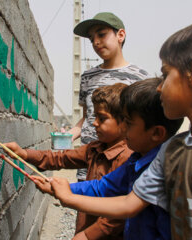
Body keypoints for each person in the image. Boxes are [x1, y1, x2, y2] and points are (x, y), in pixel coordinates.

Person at [39, 19, 192, 239]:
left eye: (165, 75)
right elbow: (128, 204)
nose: (160, 88)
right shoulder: (173, 149)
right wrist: (68, 195)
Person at [33, 78, 184, 240]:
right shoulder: (135, 160)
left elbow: (125, 208)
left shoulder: (162, 168)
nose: (123, 127)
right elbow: (102, 187)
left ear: (156, 133)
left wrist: (69, 198)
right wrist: (63, 188)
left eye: (129, 123)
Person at [4, 83, 132, 240]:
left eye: (102, 118)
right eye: (95, 117)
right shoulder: (95, 148)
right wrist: (24, 153)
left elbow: (118, 216)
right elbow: (60, 158)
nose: (94, 123)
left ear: (125, 123)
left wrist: (86, 235)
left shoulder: (128, 158)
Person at [68, 12, 149, 181]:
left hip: (121, 167)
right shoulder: (87, 77)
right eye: (91, 39)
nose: (96, 42)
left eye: (102, 34)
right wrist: (68, 135)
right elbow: (87, 118)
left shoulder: (140, 77)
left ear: (120, 35)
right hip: (88, 163)